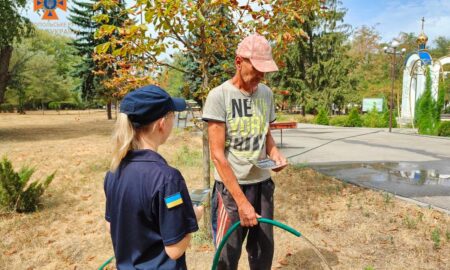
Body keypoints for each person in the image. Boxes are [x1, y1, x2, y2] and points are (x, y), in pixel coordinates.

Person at [202, 34, 288, 270]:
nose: (261, 75)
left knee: (263, 254)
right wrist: (241, 202)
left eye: (265, 70)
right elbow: (218, 156)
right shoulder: (219, 96)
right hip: (231, 191)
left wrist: (275, 154)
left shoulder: (266, 94)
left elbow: (266, 136)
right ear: (239, 62)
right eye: (257, 68)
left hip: (262, 185)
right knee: (227, 257)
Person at [104, 85, 204, 270]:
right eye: (172, 115)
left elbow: (111, 226)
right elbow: (174, 250)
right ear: (161, 123)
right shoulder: (168, 179)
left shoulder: (114, 171)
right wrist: (193, 218)